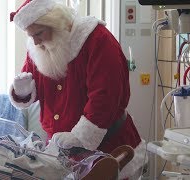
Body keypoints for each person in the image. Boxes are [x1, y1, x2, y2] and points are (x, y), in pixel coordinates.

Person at [8, 0, 147, 179]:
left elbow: (104, 98)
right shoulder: (39, 46)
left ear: (56, 23)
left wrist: (81, 137)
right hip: (63, 155)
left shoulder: (98, 40)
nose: (35, 42)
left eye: (39, 33)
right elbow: (32, 85)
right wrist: (21, 91)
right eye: (30, 36)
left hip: (109, 149)